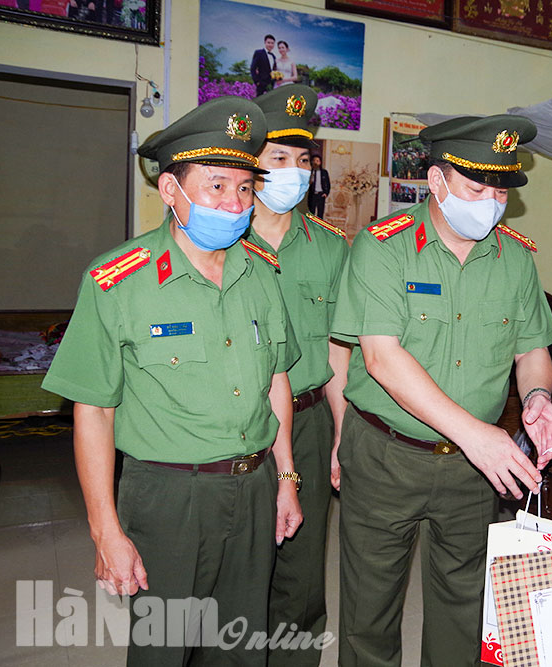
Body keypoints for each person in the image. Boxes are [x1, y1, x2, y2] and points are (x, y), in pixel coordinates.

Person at [41, 96, 304, 666]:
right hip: (167, 498)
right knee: (164, 648)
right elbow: (93, 411)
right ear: (170, 190)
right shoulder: (117, 280)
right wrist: (105, 530)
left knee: (239, 646)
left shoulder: (261, 273)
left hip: (254, 486)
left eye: (244, 188)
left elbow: (276, 381)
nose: (234, 203)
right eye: (215, 186)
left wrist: (286, 476)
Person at [330, 115, 552, 666]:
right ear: (436, 183)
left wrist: (537, 399)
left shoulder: (515, 259)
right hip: (388, 454)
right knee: (371, 609)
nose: (489, 203)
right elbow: (382, 357)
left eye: (500, 191)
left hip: (474, 468)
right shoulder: (382, 248)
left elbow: (532, 351)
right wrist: (477, 436)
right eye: (475, 188)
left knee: (464, 604)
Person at [249, 84, 350, 666]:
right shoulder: (220, 242)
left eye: (303, 159)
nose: (294, 171)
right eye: (277, 159)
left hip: (310, 422)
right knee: (240, 568)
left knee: (303, 570)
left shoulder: (330, 248)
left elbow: (337, 351)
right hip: (239, 424)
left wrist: (340, 433)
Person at [308, 154, 330, 218]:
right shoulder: (310, 172)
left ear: (320, 162)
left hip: (321, 195)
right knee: (311, 213)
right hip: (312, 195)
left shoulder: (324, 172)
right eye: (314, 161)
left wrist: (326, 193)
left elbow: (328, 184)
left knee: (320, 213)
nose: (315, 162)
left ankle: (318, 227)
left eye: (317, 161)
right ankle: (311, 226)